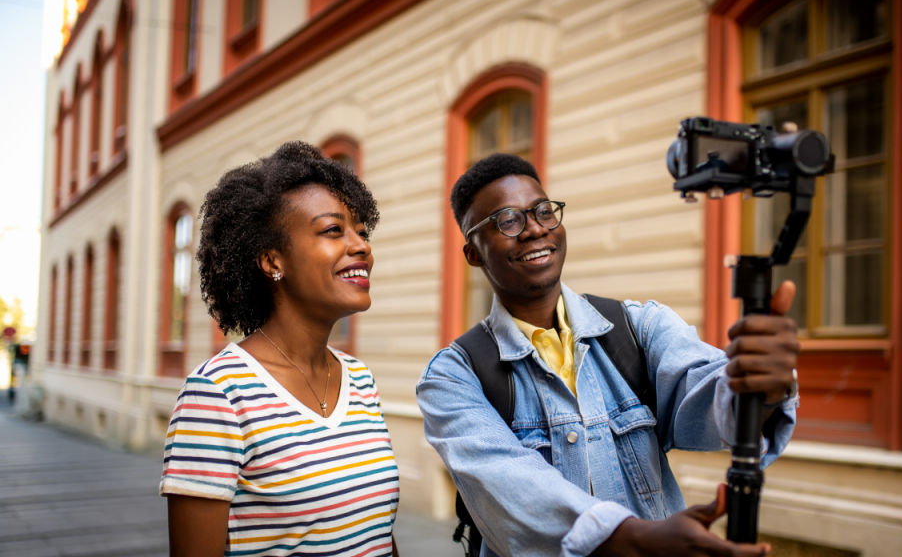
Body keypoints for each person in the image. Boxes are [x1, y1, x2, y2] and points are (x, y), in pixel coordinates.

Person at [416, 153, 800, 557]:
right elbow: (511, 488)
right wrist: (634, 540)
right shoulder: (453, 377)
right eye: (508, 220)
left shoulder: (639, 327)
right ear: (473, 253)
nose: (533, 230)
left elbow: (714, 405)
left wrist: (762, 385)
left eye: (543, 211)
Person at [160, 142, 400, 557]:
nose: (361, 245)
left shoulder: (359, 378)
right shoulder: (217, 394)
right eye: (333, 230)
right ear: (273, 262)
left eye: (361, 230)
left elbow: (375, 534)